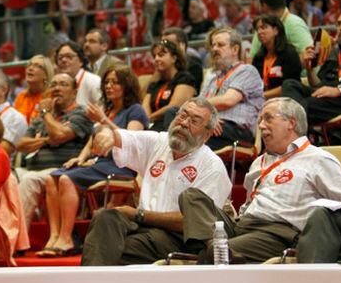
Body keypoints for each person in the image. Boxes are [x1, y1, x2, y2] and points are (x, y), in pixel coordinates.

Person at [179, 98, 341, 263]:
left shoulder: (319, 159)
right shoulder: (259, 162)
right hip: (242, 226)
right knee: (191, 196)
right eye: (260, 120)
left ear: (291, 123)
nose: (261, 126)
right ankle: (214, 248)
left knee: (218, 251)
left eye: (268, 119)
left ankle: (213, 251)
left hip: (277, 233)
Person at [82, 96, 231, 266]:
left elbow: (194, 223)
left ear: (207, 135)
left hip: (177, 237)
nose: (183, 123)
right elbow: (122, 137)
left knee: (113, 247)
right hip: (141, 225)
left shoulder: (212, 166)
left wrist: (140, 215)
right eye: (182, 116)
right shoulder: (160, 141)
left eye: (194, 121)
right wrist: (107, 134)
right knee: (104, 217)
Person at [40, 65, 149, 257]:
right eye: (106, 82)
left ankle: (66, 239)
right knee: (51, 178)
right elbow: (91, 140)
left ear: (127, 86)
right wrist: (80, 158)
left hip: (120, 165)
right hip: (98, 162)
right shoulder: (107, 110)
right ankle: (54, 235)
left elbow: (133, 140)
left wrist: (103, 119)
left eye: (115, 82)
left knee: (66, 180)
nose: (109, 86)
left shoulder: (136, 110)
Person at [16, 73, 93, 228]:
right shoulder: (43, 118)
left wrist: (45, 114)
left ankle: (15, 241)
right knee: (8, 179)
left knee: (29, 180)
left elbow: (58, 135)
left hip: (63, 170)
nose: (57, 88)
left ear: (75, 92)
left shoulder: (81, 113)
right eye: (53, 85)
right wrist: (46, 140)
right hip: (32, 169)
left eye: (63, 84)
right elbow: (21, 144)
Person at [282, 11, 341, 137]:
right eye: (339, 24)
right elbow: (318, 84)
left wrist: (338, 90)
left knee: (304, 105)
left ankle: (288, 135)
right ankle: (289, 127)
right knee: (290, 84)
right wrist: (309, 68)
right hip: (326, 99)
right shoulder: (335, 53)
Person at [201, 27, 264, 150]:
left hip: (236, 130)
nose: (214, 49)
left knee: (195, 136)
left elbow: (228, 100)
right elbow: (196, 105)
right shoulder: (212, 76)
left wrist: (203, 112)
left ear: (235, 49)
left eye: (220, 45)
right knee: (174, 114)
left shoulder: (247, 70)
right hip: (211, 126)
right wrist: (207, 118)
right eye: (213, 45)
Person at [143, 40, 196, 132]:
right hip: (153, 125)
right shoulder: (155, 84)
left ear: (174, 58)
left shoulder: (184, 78)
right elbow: (144, 109)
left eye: (161, 55)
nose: (156, 59)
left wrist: (149, 118)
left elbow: (175, 106)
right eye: (154, 56)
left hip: (174, 124)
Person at [249, 0, 313, 60]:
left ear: (264, 6)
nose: (260, 32)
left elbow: (311, 55)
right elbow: (251, 59)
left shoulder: (295, 24)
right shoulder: (260, 27)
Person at [252, 16, 302, 99]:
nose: (259, 32)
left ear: (276, 30)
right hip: (262, 100)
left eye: (264, 27)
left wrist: (262, 95)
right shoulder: (258, 58)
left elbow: (290, 86)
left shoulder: (289, 53)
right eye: (257, 29)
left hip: (287, 100)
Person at [55, 41, 101, 108]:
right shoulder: (56, 83)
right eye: (60, 58)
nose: (64, 60)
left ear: (81, 61)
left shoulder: (93, 81)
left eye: (69, 56)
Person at [161, 27, 203, 93]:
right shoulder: (162, 68)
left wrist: (181, 58)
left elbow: (191, 93)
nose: (164, 49)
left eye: (169, 44)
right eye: (162, 44)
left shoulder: (194, 65)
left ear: (182, 45)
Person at [14, 55, 54, 124]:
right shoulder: (21, 96)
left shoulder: (51, 97)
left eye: (37, 66)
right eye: (29, 65)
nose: (30, 68)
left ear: (46, 75)